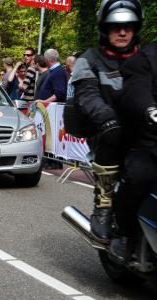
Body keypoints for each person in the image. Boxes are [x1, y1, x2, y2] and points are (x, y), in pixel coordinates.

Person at [69, 0, 143, 242]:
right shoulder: (89, 59)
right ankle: (104, 203)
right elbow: (87, 94)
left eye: (128, 27)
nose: (122, 32)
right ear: (105, 28)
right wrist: (106, 117)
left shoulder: (146, 59)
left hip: (145, 129)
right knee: (113, 135)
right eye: (115, 27)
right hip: (107, 130)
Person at [109, 42, 157, 263]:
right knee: (141, 175)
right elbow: (136, 88)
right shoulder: (146, 58)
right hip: (147, 140)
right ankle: (125, 233)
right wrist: (150, 108)